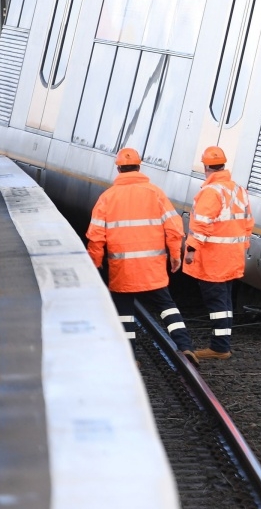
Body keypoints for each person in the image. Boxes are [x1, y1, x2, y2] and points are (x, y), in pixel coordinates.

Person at [87, 147, 197, 365]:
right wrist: (175, 256)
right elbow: (175, 229)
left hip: (123, 269)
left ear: (118, 168)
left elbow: (96, 237)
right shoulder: (155, 193)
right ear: (139, 167)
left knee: (124, 312)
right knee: (167, 306)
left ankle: (131, 356)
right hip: (152, 267)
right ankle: (185, 346)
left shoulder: (107, 198)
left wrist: (95, 264)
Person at [183, 146, 254, 360]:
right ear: (223, 165)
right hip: (231, 257)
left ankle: (220, 347)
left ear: (206, 167)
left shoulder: (211, 192)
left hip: (213, 259)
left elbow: (201, 225)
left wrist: (190, 250)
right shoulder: (239, 190)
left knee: (217, 303)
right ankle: (221, 344)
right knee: (224, 302)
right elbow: (248, 224)